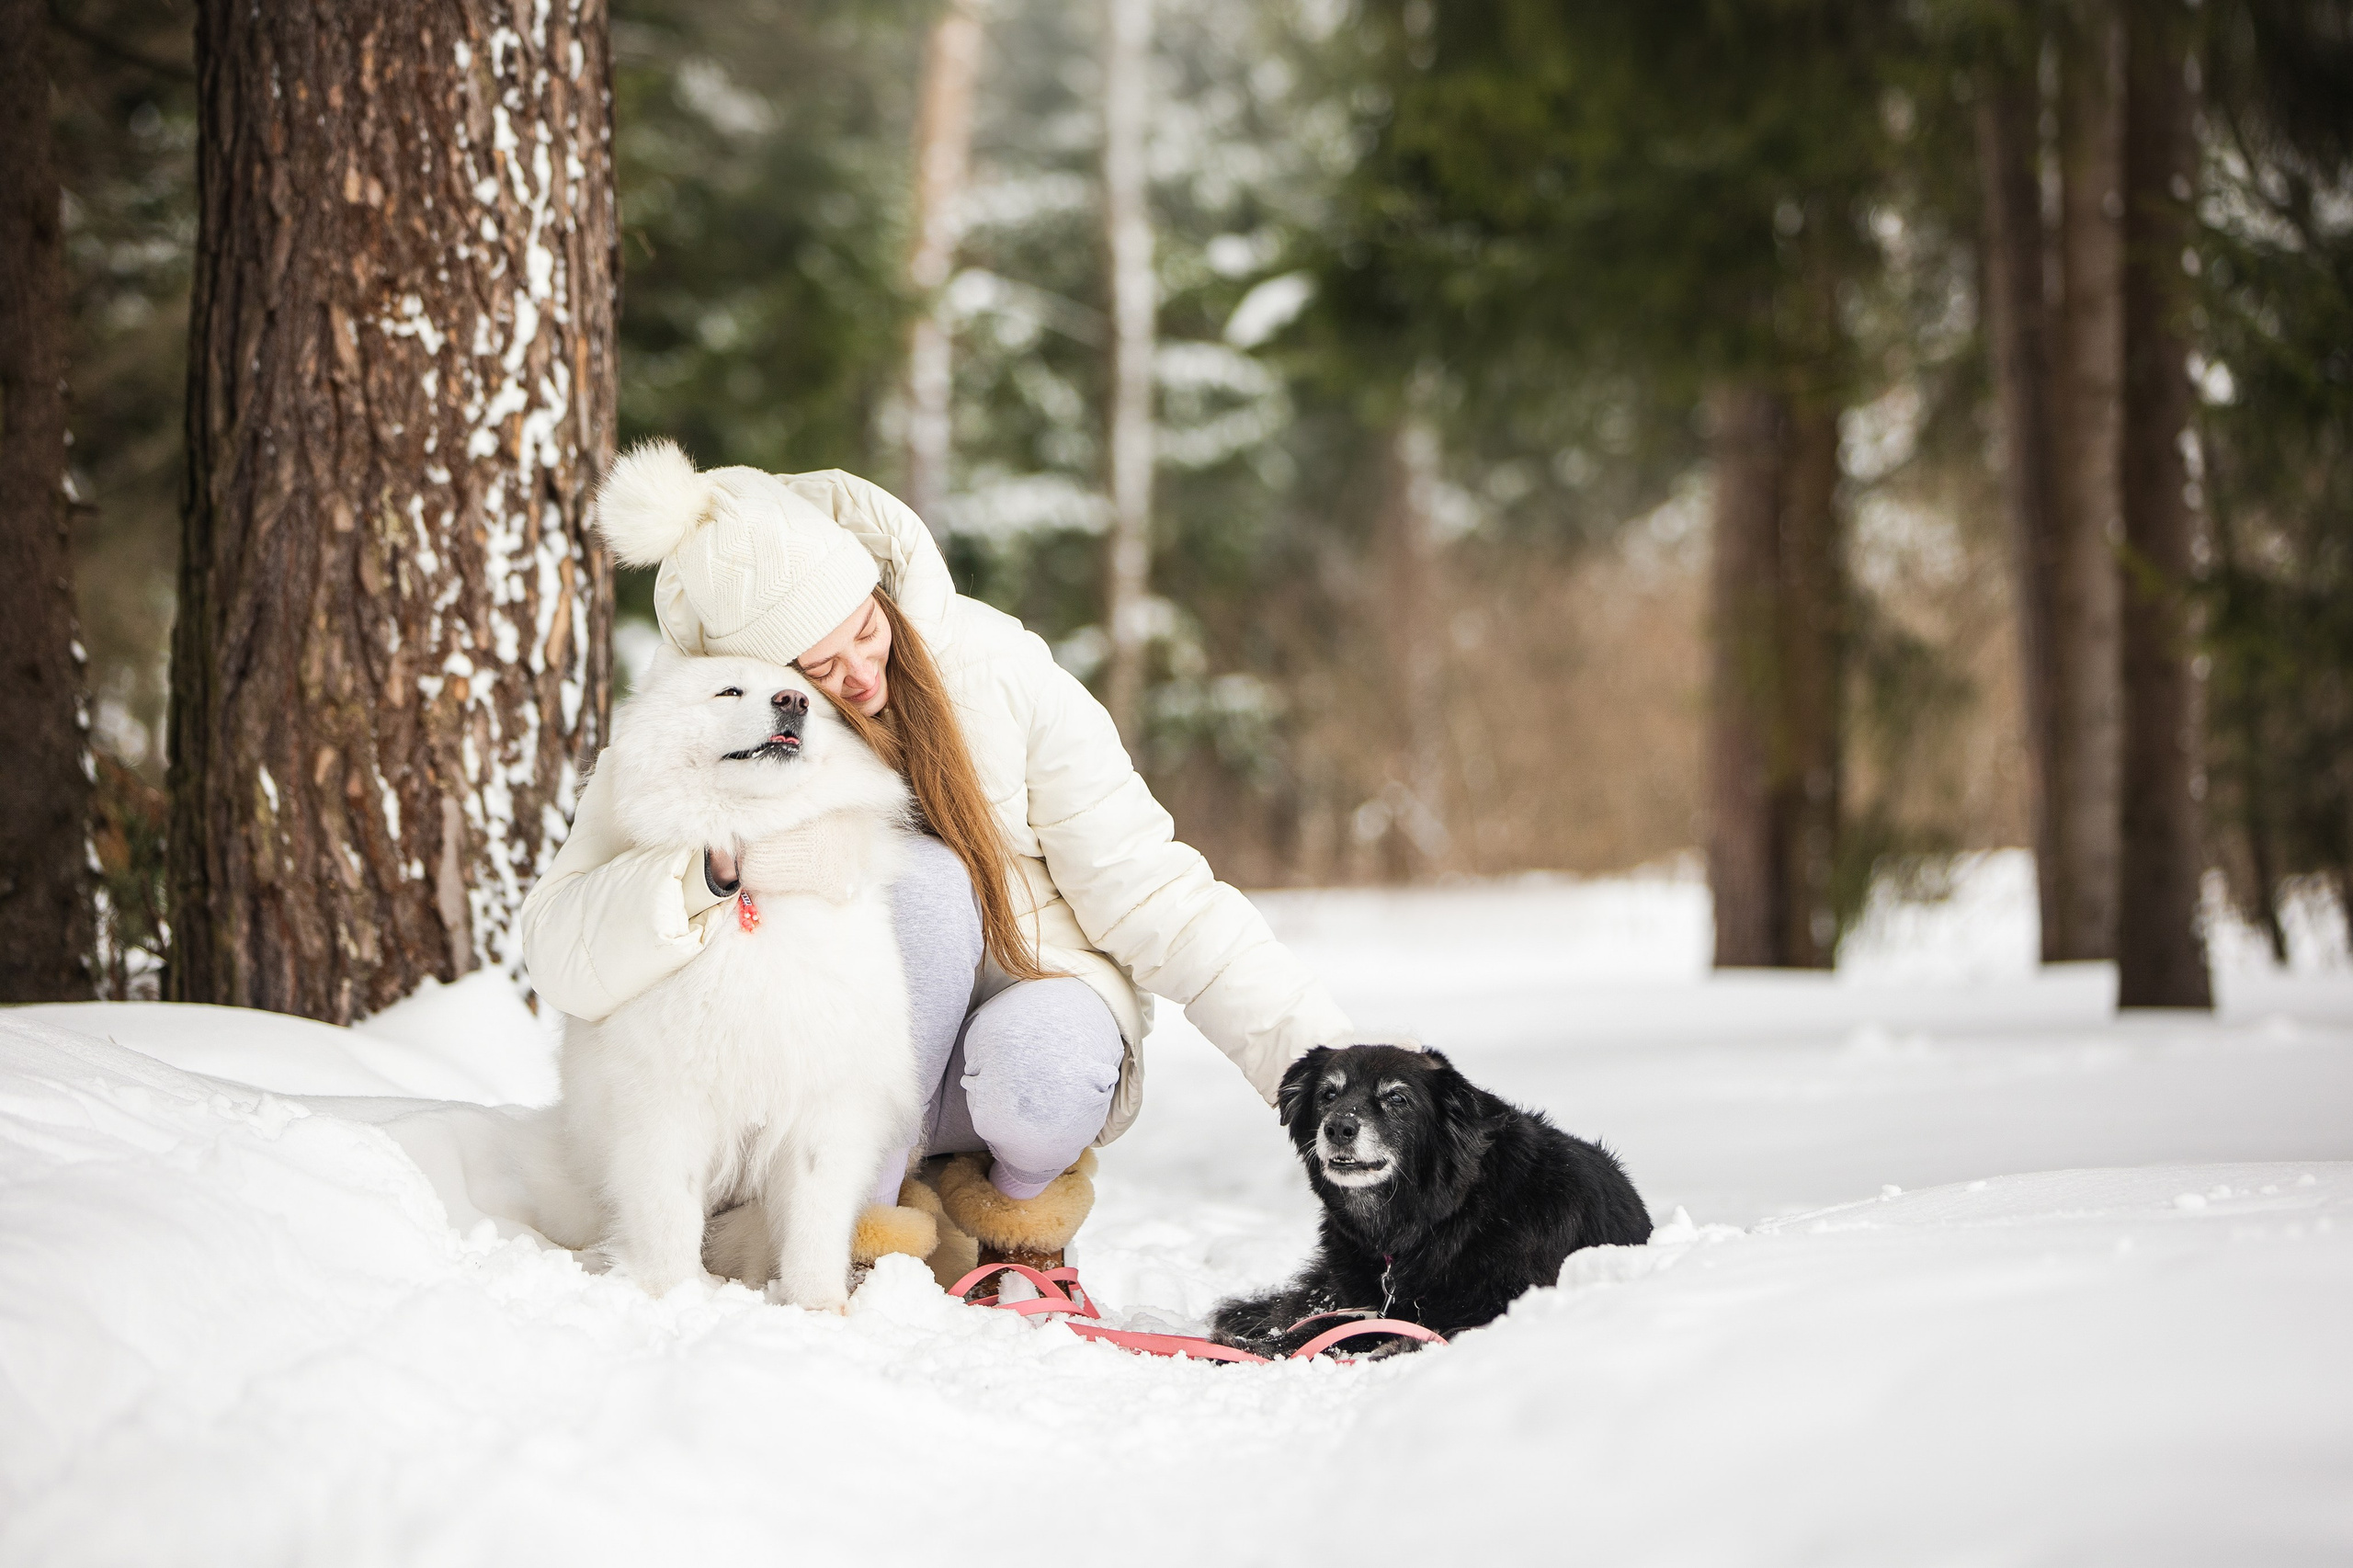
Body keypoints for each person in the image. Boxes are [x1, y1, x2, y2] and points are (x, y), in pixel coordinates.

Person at [518, 440, 1358, 1281]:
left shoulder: (999, 671)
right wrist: (714, 870)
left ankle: (1021, 1229)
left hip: (1004, 1028)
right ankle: (862, 1224)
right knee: (916, 886)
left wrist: (1327, 1065)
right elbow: (562, 945)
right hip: (817, 1075)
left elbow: (1154, 889)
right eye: (817, 667)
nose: (857, 672)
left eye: (866, 630)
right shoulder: (699, 717)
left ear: (879, 593)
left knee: (1032, 1053)